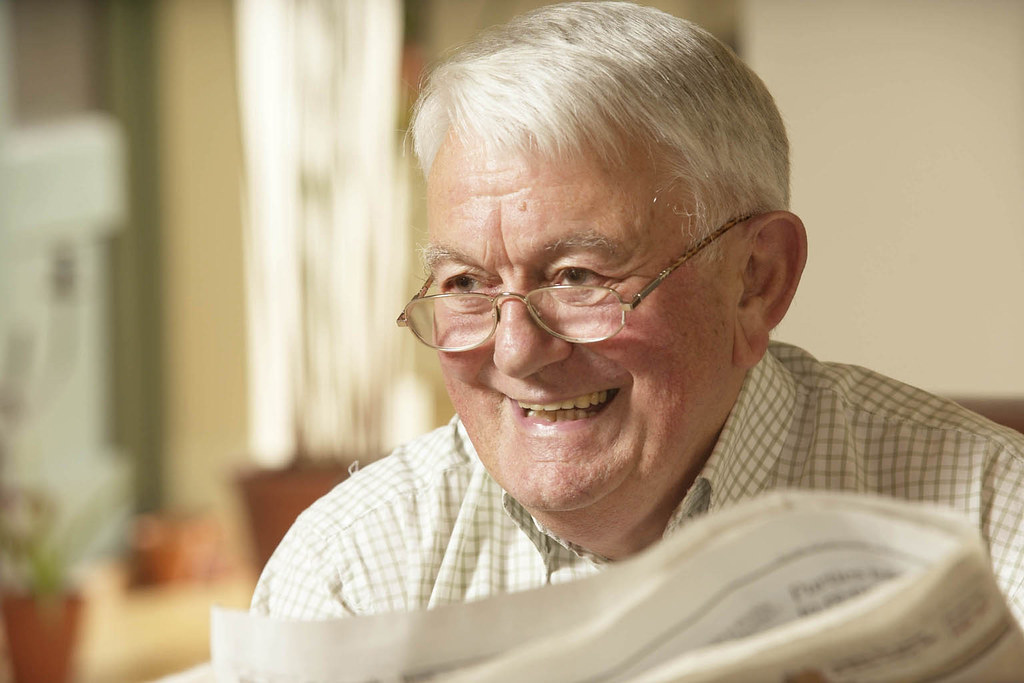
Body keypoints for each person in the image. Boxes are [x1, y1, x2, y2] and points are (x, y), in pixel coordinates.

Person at [251, 1, 1024, 623]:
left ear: (756, 280)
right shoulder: (348, 573)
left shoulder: (992, 524)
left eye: (578, 275)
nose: (516, 350)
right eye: (464, 284)